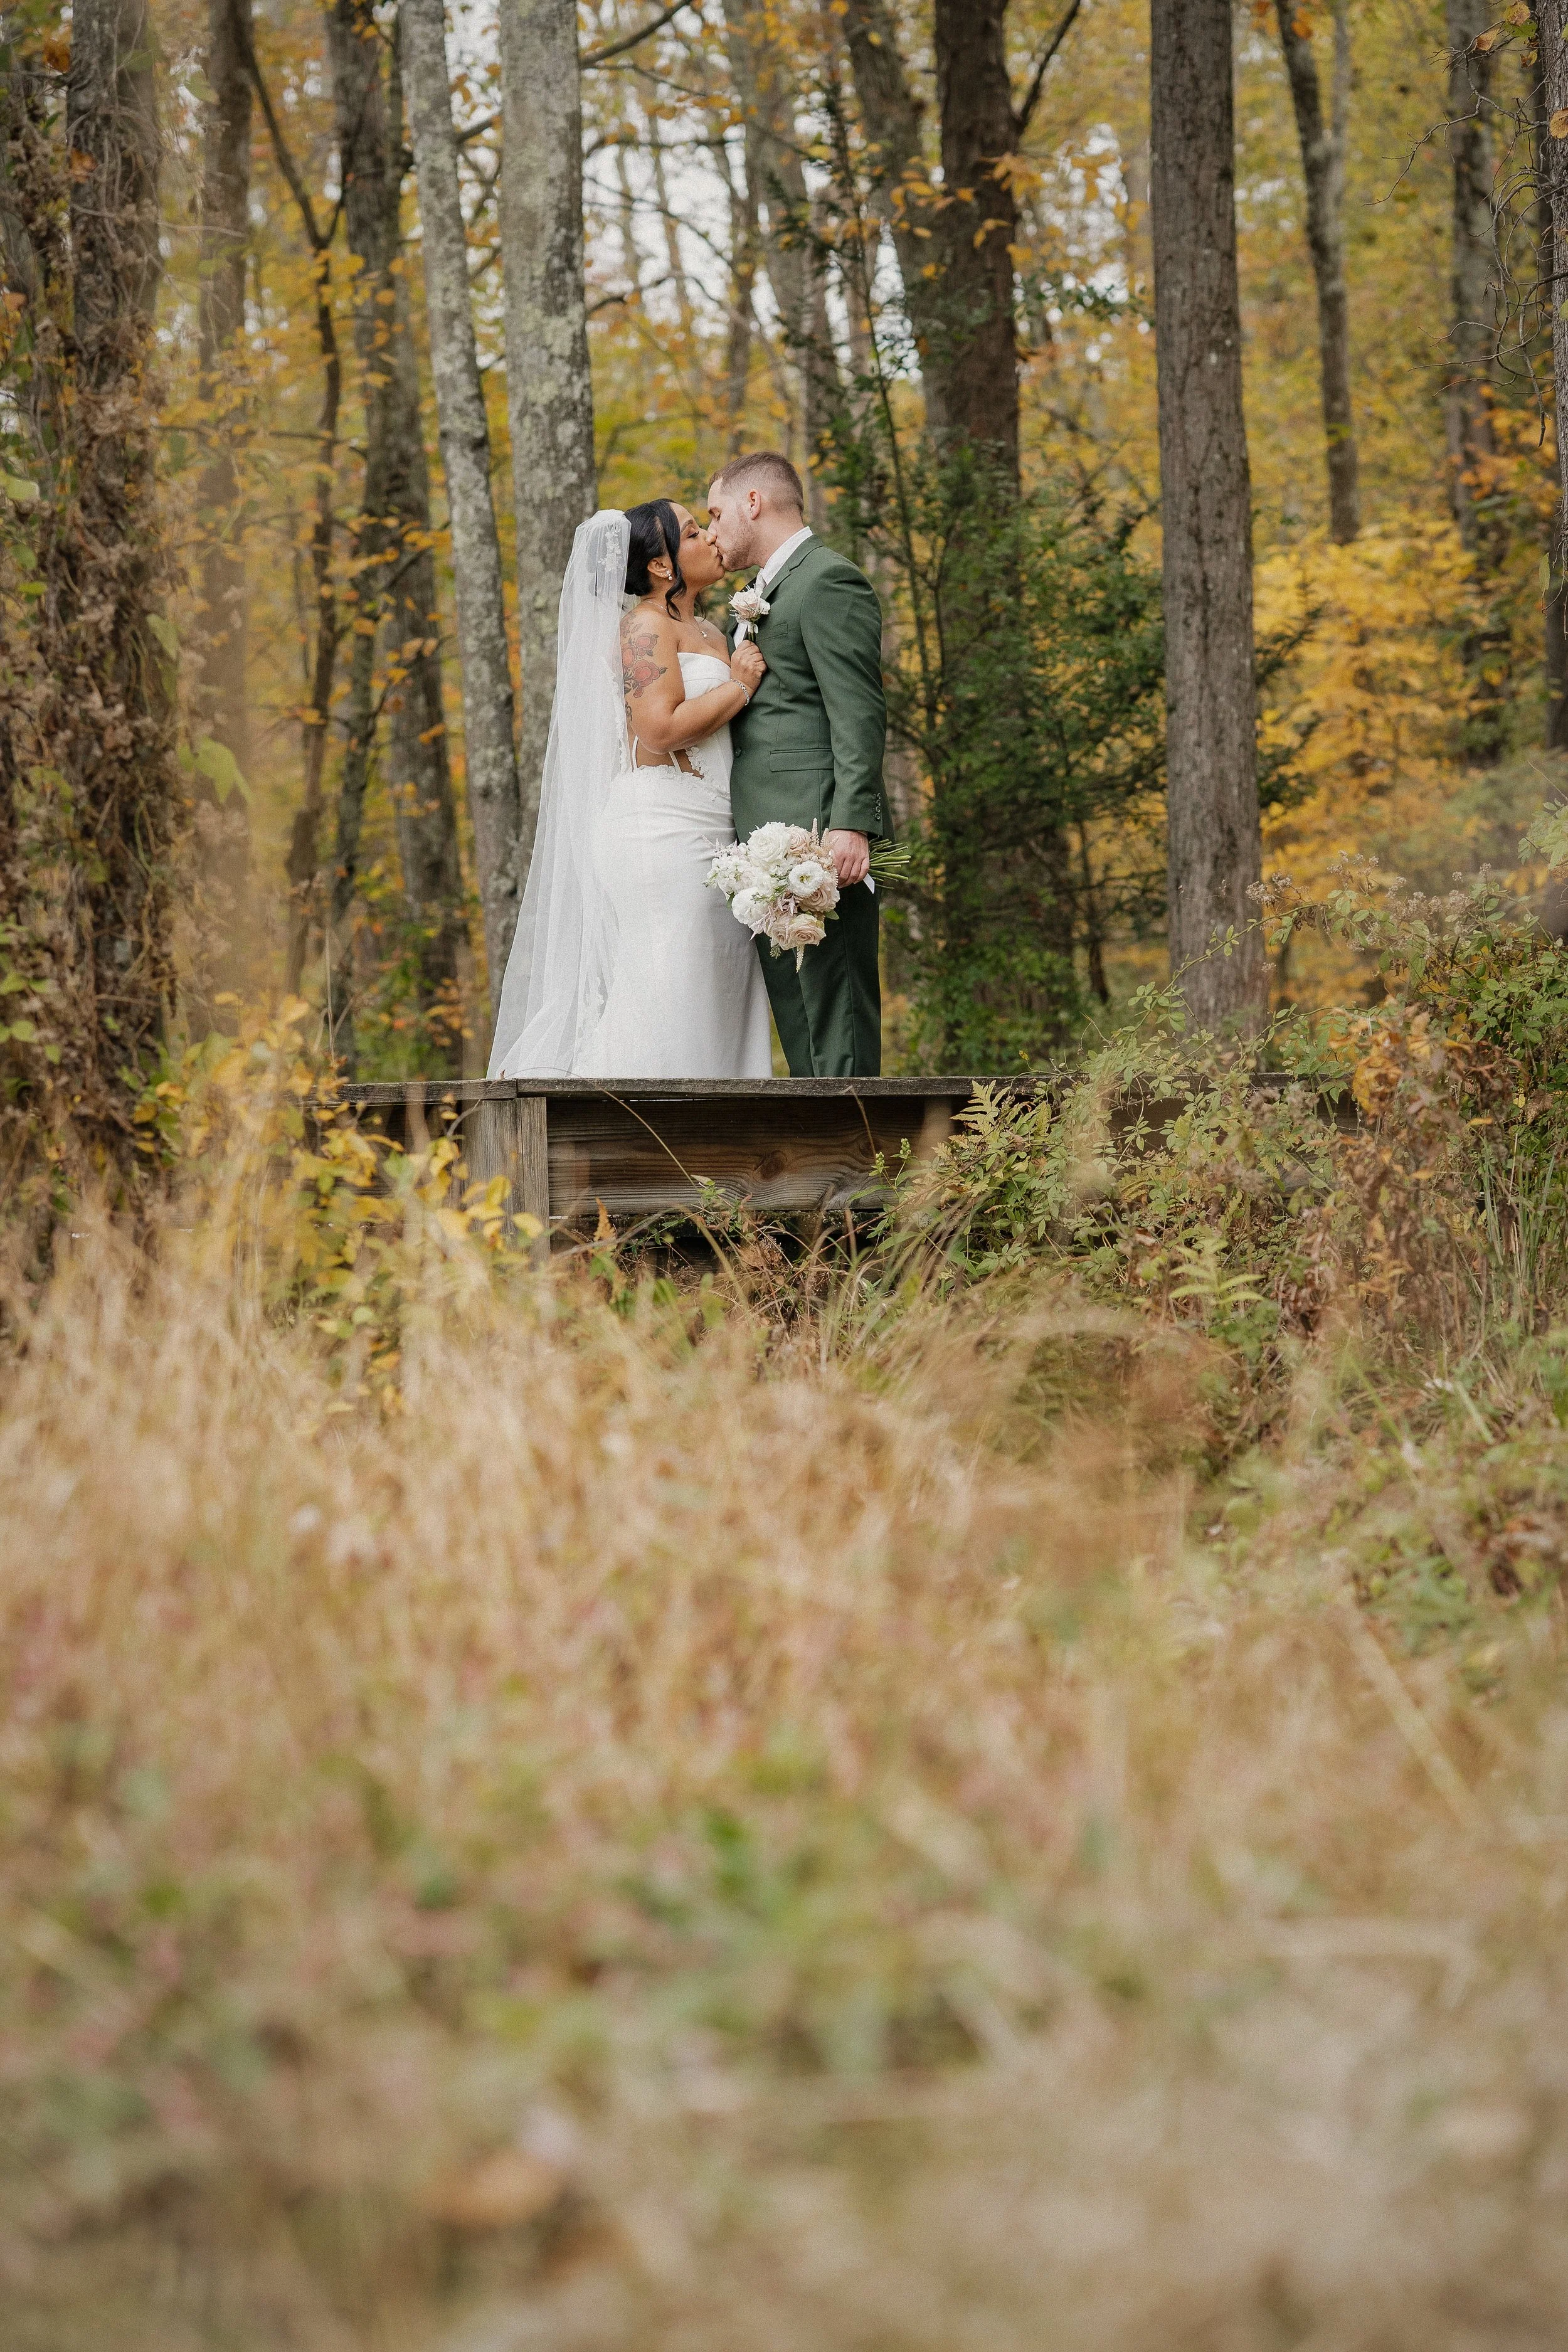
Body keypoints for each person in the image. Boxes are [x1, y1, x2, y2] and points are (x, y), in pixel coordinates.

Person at [488, 501, 772, 1079]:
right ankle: (635, 1138)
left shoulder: (714, 630)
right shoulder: (646, 625)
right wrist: (739, 686)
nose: (711, 539)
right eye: (694, 532)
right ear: (663, 565)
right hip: (663, 832)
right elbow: (657, 728)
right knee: (672, 988)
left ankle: (720, 1154)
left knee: (720, 987)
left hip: (718, 833)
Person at [706, 450, 892, 1078]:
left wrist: (851, 824)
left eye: (716, 511)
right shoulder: (764, 590)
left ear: (752, 503)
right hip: (769, 849)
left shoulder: (826, 580)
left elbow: (857, 712)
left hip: (817, 841)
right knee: (801, 1023)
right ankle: (829, 1174)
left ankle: (860, 1170)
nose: (711, 529)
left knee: (834, 1020)